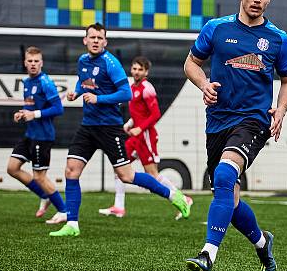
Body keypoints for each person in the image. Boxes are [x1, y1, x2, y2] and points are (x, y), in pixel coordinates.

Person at [183, 0, 287, 271]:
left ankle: (208, 254)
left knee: (224, 172)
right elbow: (191, 63)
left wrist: (281, 109)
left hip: (253, 120)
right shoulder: (216, 29)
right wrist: (204, 84)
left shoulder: (277, 38)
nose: (257, 0)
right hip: (218, 121)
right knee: (228, 197)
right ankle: (263, 243)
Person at [49, 23, 193, 237]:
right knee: (71, 170)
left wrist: (99, 99)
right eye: (92, 37)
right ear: (85, 40)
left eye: (100, 37)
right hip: (88, 127)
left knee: (126, 175)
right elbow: (84, 82)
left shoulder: (111, 63)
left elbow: (125, 93)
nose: (96, 40)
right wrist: (76, 93)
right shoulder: (82, 61)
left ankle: (174, 196)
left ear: (105, 42)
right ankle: (72, 224)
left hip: (109, 128)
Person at [98, 56, 189, 218]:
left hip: (146, 136)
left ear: (146, 72)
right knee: (119, 166)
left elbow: (155, 114)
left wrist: (139, 128)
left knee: (152, 174)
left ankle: (182, 198)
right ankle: (119, 207)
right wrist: (130, 123)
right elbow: (140, 113)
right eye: (134, 68)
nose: (136, 72)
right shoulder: (132, 88)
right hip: (136, 137)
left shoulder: (147, 88)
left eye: (140, 69)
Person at [7, 46, 67, 222]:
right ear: (25, 63)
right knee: (12, 168)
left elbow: (58, 109)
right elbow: (30, 106)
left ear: (41, 63)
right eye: (30, 61)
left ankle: (63, 210)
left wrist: (34, 114)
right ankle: (44, 195)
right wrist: (23, 113)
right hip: (30, 135)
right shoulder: (26, 82)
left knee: (39, 176)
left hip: (43, 137)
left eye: (36, 61)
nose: (33, 64)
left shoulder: (45, 82)